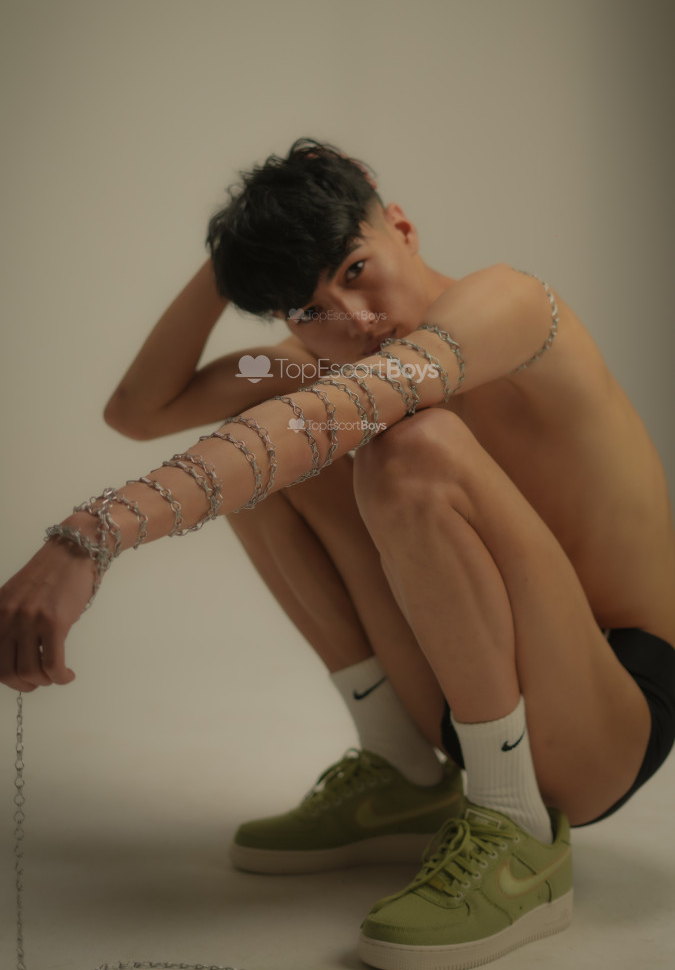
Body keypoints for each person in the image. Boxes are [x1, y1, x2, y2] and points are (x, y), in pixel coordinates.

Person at [1, 138, 674, 970]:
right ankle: (400, 770)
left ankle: (516, 828)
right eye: (307, 308)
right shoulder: (304, 359)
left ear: (402, 229)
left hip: (606, 712)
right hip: (462, 697)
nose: (351, 320)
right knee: (257, 443)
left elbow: (348, 407)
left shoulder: (508, 304)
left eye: (356, 270)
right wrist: (243, 250)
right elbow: (142, 409)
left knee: (407, 445)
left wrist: (94, 532)